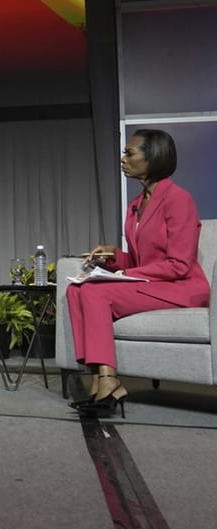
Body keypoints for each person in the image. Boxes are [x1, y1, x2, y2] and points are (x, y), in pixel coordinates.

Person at [68, 129, 210, 418]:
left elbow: (179, 264)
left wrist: (123, 276)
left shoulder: (178, 199)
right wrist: (113, 257)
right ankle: (97, 377)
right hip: (154, 283)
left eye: (129, 153)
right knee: (76, 289)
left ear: (154, 157)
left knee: (96, 291)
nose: (123, 159)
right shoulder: (135, 206)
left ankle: (108, 380)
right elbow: (138, 259)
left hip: (181, 286)